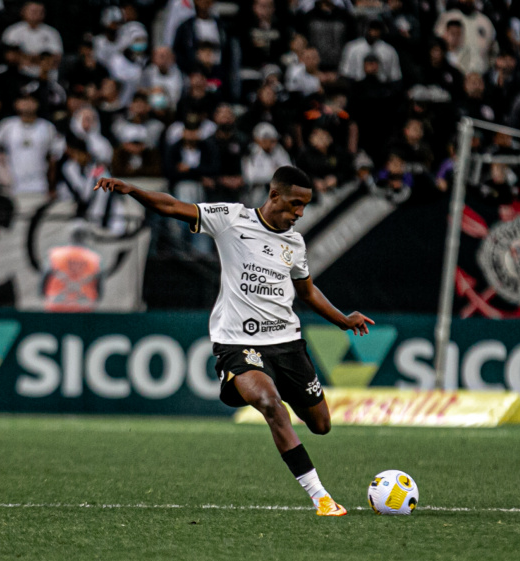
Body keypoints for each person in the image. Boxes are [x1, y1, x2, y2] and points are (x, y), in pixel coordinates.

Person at [93, 166, 374, 516]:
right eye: (294, 204)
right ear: (274, 195)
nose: (299, 213)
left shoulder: (295, 243)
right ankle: (321, 498)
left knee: (321, 425)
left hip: (287, 343)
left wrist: (343, 320)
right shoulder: (230, 218)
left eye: (304, 206)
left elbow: (307, 291)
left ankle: (256, 385)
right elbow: (173, 207)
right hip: (239, 343)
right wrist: (132, 189)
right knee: (272, 405)